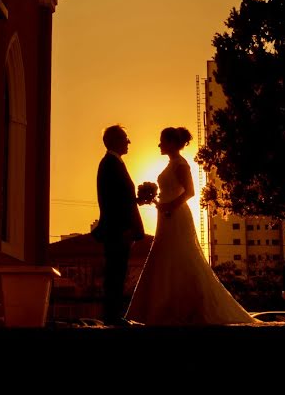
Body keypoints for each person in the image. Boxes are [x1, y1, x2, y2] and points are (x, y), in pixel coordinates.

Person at [126, 126, 259, 325]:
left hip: (177, 215)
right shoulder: (171, 164)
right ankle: (160, 308)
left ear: (171, 142)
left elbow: (189, 192)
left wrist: (169, 206)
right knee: (165, 257)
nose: (159, 144)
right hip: (166, 215)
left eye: (162, 140)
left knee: (181, 255)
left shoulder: (181, 164)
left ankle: (187, 308)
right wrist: (153, 200)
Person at [91, 124, 145, 326]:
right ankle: (112, 317)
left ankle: (113, 315)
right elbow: (111, 201)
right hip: (117, 230)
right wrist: (124, 229)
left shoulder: (115, 163)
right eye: (125, 137)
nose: (128, 141)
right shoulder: (109, 164)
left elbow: (122, 198)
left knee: (118, 272)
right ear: (114, 141)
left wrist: (138, 200)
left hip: (120, 229)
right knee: (115, 272)